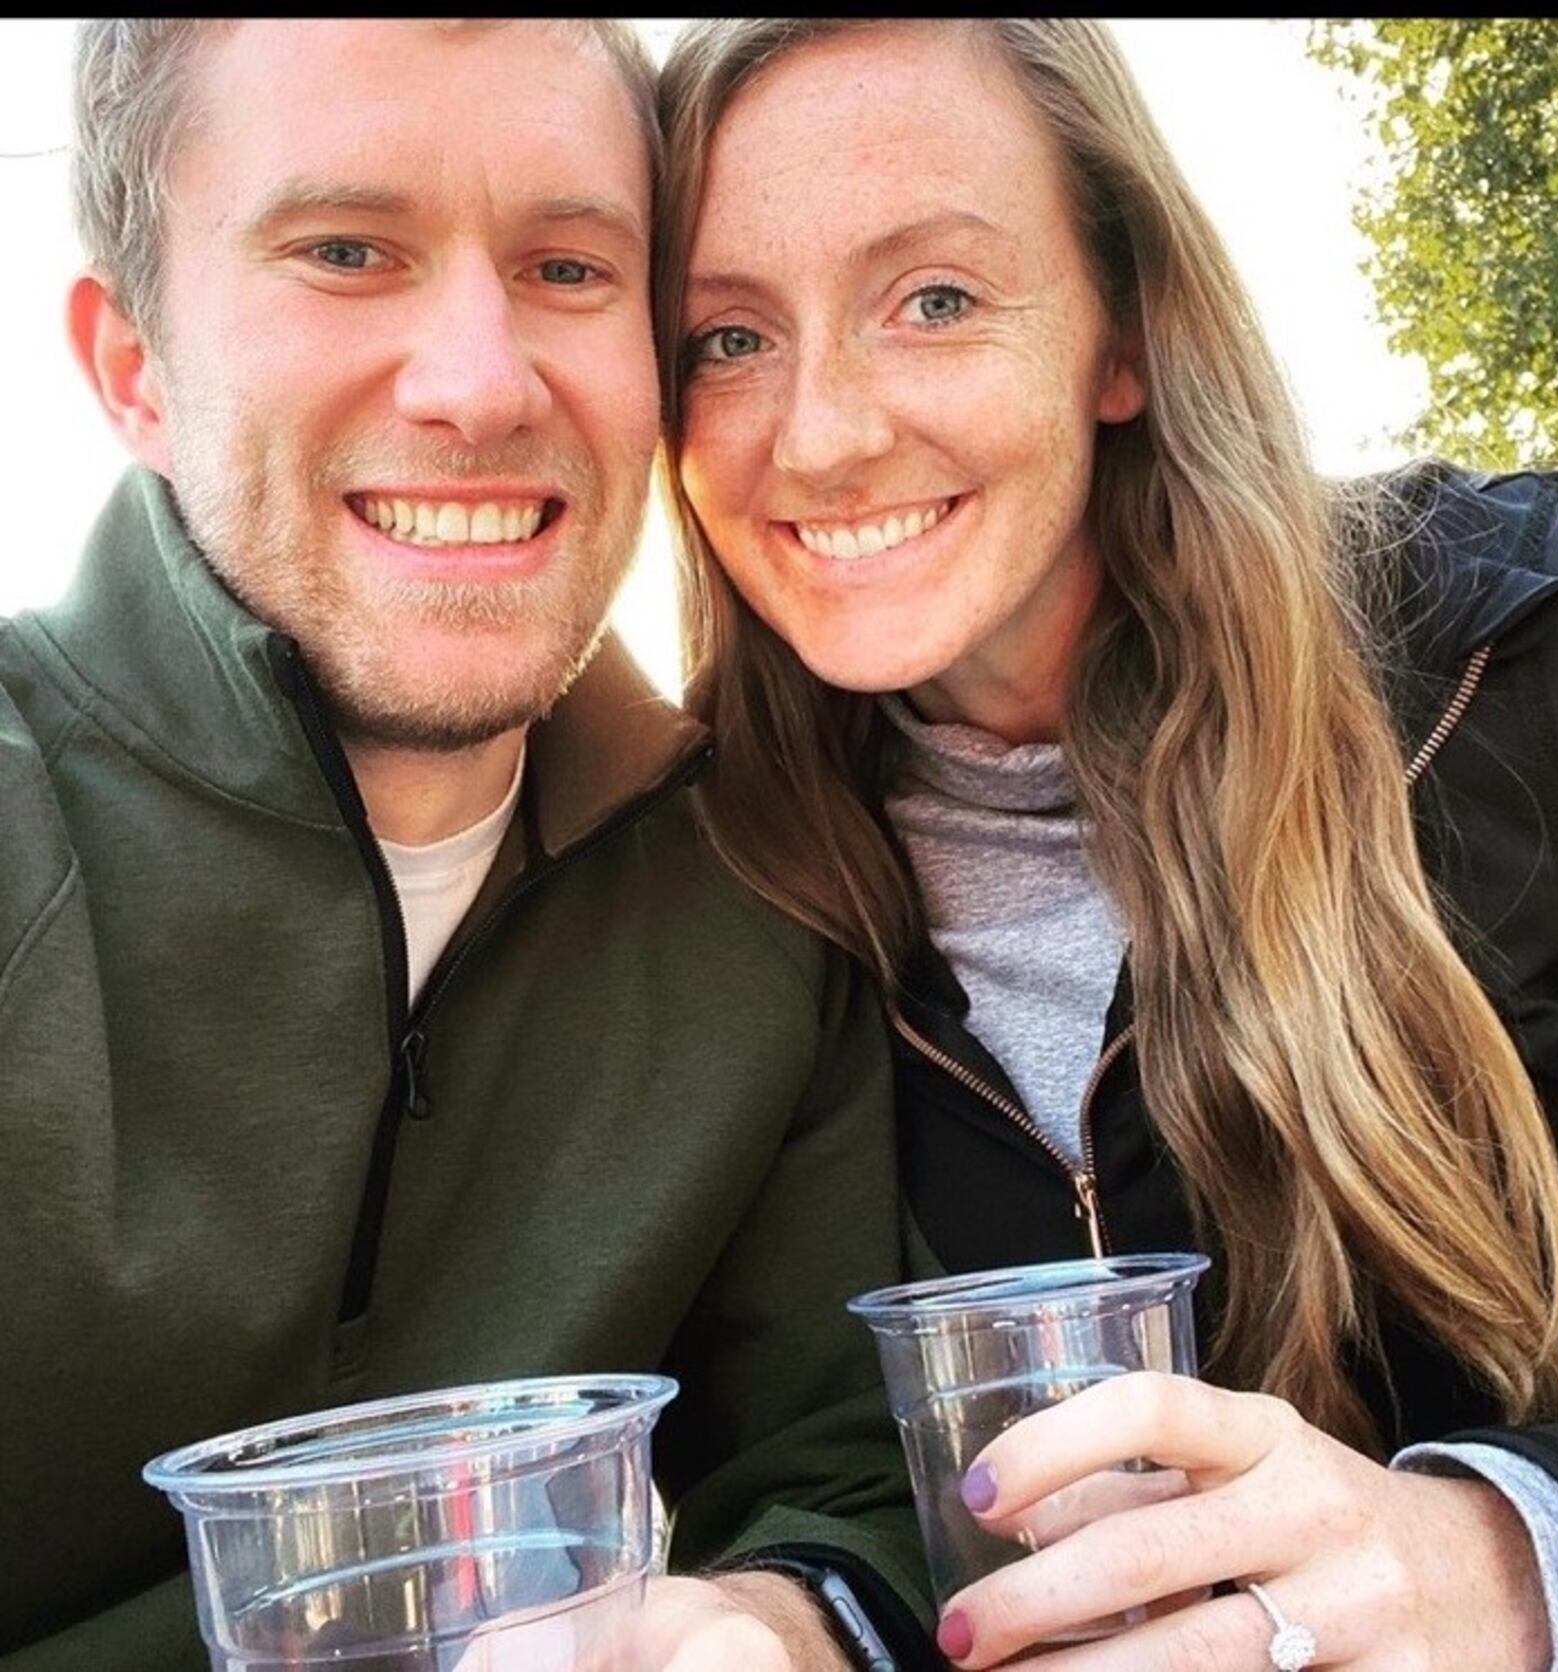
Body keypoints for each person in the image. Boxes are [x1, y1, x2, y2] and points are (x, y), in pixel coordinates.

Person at [656, 16, 1558, 1670]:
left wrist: (1517, 1557)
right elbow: (809, 1489)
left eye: (933, 299)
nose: (817, 436)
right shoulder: (701, 888)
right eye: (727, 339)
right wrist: (787, 1621)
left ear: (1125, 334)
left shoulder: (1529, 658)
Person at [0, 19, 939, 1671]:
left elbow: (852, 1479)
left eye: (570, 268)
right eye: (346, 253)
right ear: (132, 366)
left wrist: (769, 1628)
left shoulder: (759, 892)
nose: (481, 382)